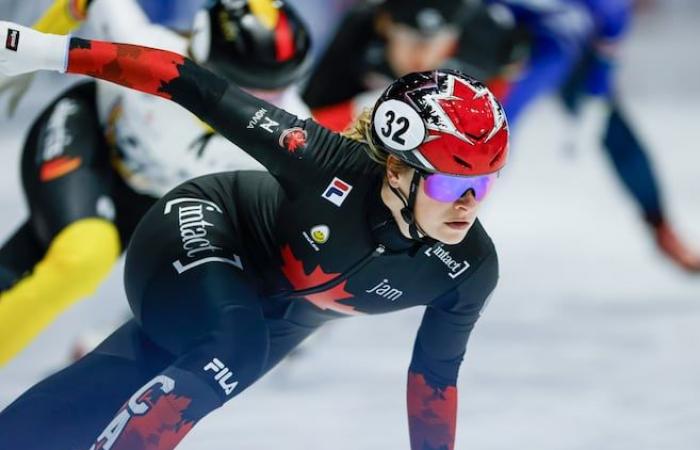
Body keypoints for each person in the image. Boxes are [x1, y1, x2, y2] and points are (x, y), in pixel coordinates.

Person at [0, 19, 508, 450]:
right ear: (397, 170)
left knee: (122, 377)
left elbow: (435, 379)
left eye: (482, 183)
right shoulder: (322, 161)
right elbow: (186, 81)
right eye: (449, 183)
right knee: (233, 347)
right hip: (206, 226)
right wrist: (46, 49)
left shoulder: (469, 269)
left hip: (280, 312)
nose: (468, 203)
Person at [0, 0, 311, 366]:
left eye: (276, 94)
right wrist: (26, 58)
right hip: (88, 136)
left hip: (148, 198)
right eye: (240, 89)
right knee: (84, 255)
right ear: (201, 59)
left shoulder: (291, 131)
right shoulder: (151, 53)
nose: (255, 108)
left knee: (39, 266)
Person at [490, 0, 700, 272]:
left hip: (556, 44)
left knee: (610, 126)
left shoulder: (612, 12)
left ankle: (661, 225)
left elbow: (601, 70)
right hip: (520, 35)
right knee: (490, 120)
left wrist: (595, 104)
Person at [302, 0, 527, 131]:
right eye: (410, 39)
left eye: (437, 41)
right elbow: (308, 124)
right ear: (385, 26)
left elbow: (509, 74)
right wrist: (360, 112)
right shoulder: (358, 35)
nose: (422, 55)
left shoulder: (491, 45)